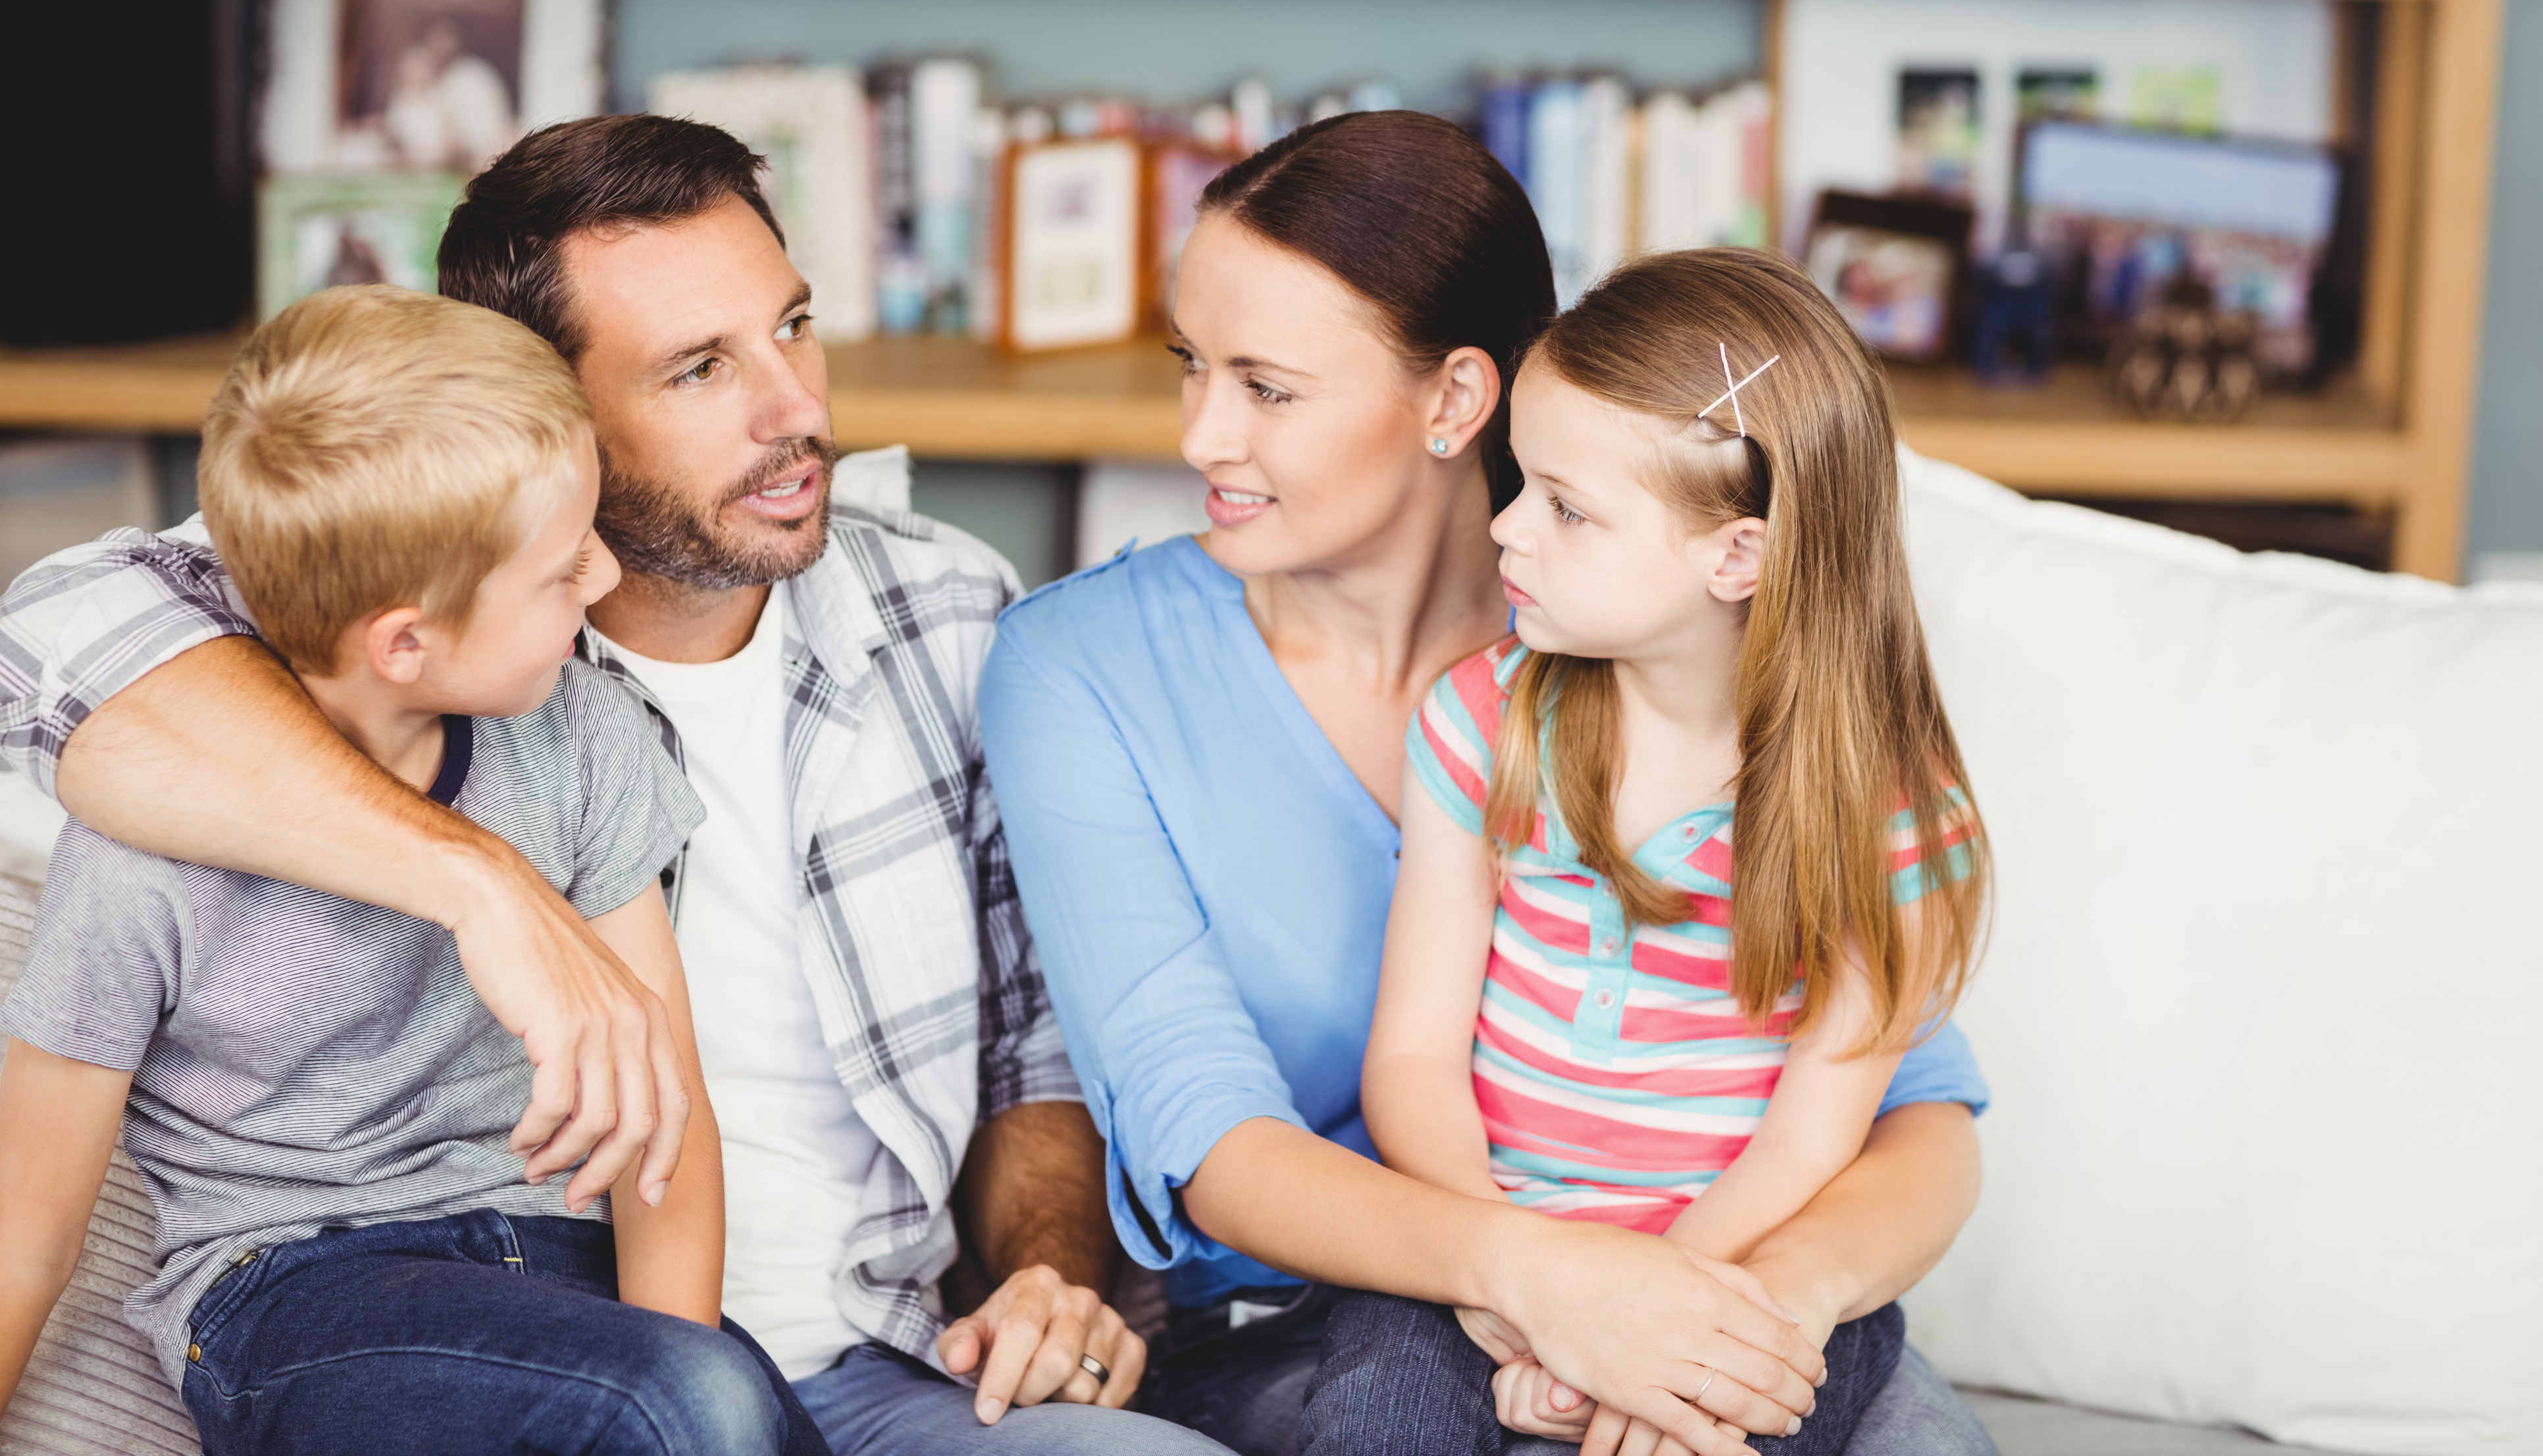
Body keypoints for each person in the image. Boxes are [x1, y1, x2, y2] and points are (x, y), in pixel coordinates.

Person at [0, 116, 1221, 1456]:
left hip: (853, 1355)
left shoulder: (946, 609)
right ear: (537, 412)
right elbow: (53, 642)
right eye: (701, 368)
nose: (797, 408)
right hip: (452, 1331)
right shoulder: (379, 585)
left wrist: (1054, 1272)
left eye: (794, 325)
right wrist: (482, 887)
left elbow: (1023, 1046)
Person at [978, 111, 1999, 1456]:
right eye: (1191, 364)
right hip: (1326, 1319)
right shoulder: (1079, 665)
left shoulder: (1644, 642)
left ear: (1459, 401)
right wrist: (1544, 1286)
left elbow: (1907, 1113)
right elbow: (1205, 1137)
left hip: (1724, 1278)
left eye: (1267, 387)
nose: (1200, 436)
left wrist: (1743, 1310)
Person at [0, 287, 822, 1455]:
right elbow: (25, 1231)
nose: (600, 579)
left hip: (568, 1276)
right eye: (557, 570)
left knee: (716, 1406)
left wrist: (687, 1366)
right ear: (405, 641)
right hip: (292, 1294)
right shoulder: (140, 850)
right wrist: (684, 1396)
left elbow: (662, 1130)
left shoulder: (585, 737)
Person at [1320, 246, 1993, 1456]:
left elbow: (1811, 1139)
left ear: (1736, 557)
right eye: (1523, 480)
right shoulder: (1481, 724)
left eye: (1569, 509)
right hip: (1486, 1245)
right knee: (1376, 1420)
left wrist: (1648, 1321)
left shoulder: (1893, 818)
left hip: (1737, 1268)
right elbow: (1414, 1057)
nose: (1508, 529)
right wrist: (1515, 1295)